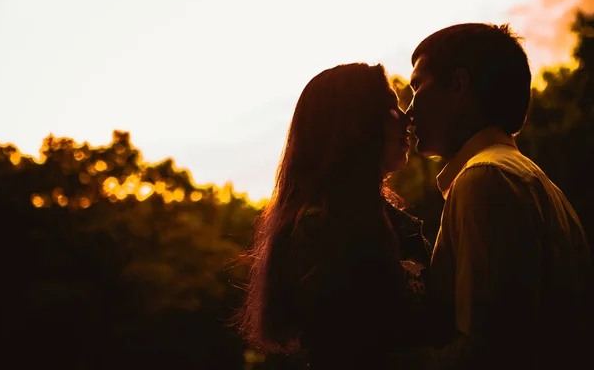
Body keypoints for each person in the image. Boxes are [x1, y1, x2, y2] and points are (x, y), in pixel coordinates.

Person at [405, 23, 594, 369]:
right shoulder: (535, 182)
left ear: (459, 85)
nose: (408, 109)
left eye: (417, 86)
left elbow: (490, 354)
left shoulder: (484, 179)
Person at [234, 63, 432, 369]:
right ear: (356, 124)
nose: (406, 118)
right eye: (391, 108)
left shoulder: (380, 218)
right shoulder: (321, 230)